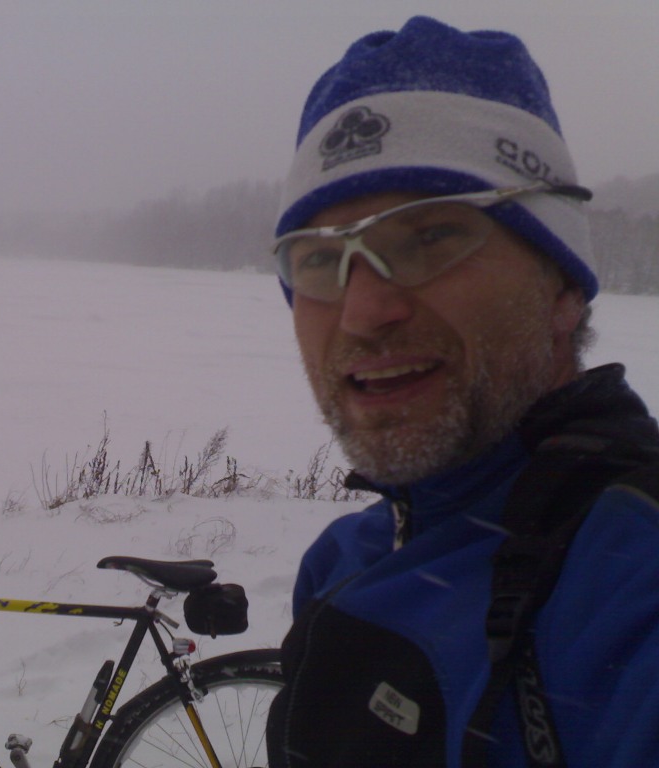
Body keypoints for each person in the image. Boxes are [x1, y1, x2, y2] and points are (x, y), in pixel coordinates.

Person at [265, 16, 659, 768]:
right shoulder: (344, 561)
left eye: (430, 236)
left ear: (562, 287)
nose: (362, 312)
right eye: (318, 259)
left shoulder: (629, 587)